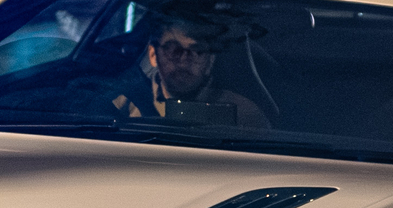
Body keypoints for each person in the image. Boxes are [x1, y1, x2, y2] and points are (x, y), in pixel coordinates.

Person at [110, 19, 272, 130]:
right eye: (173, 49)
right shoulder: (122, 105)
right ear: (153, 55)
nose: (184, 59)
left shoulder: (245, 116)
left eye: (197, 50)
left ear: (210, 61)